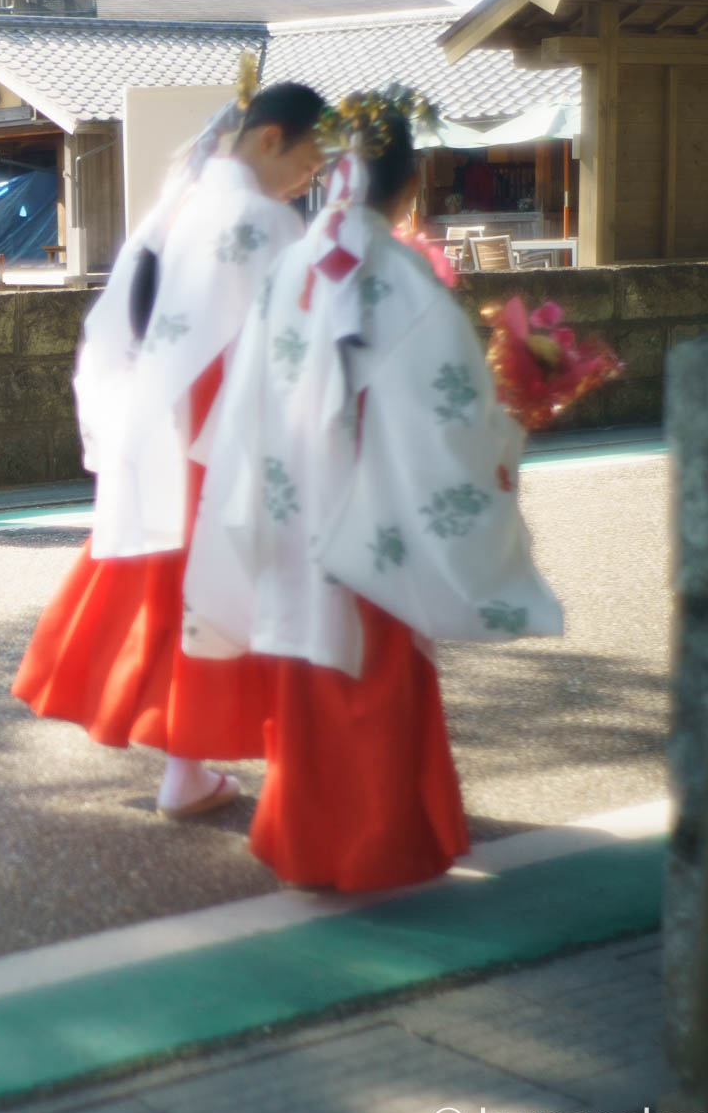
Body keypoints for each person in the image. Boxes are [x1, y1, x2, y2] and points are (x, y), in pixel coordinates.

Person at [181, 93, 561, 891]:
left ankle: (302, 839)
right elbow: (451, 415)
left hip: (291, 500)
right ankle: (377, 845)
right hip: (371, 506)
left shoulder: (297, 264)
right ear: (409, 184)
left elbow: (244, 394)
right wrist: (517, 407)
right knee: (376, 669)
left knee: (307, 662)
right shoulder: (403, 280)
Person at [14, 82, 327, 820]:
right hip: (229, 434)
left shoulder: (182, 204)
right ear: (272, 137)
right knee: (258, 593)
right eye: (312, 153)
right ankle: (281, 765)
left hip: (163, 430)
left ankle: (186, 770)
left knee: (180, 596)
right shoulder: (264, 220)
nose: (315, 171)